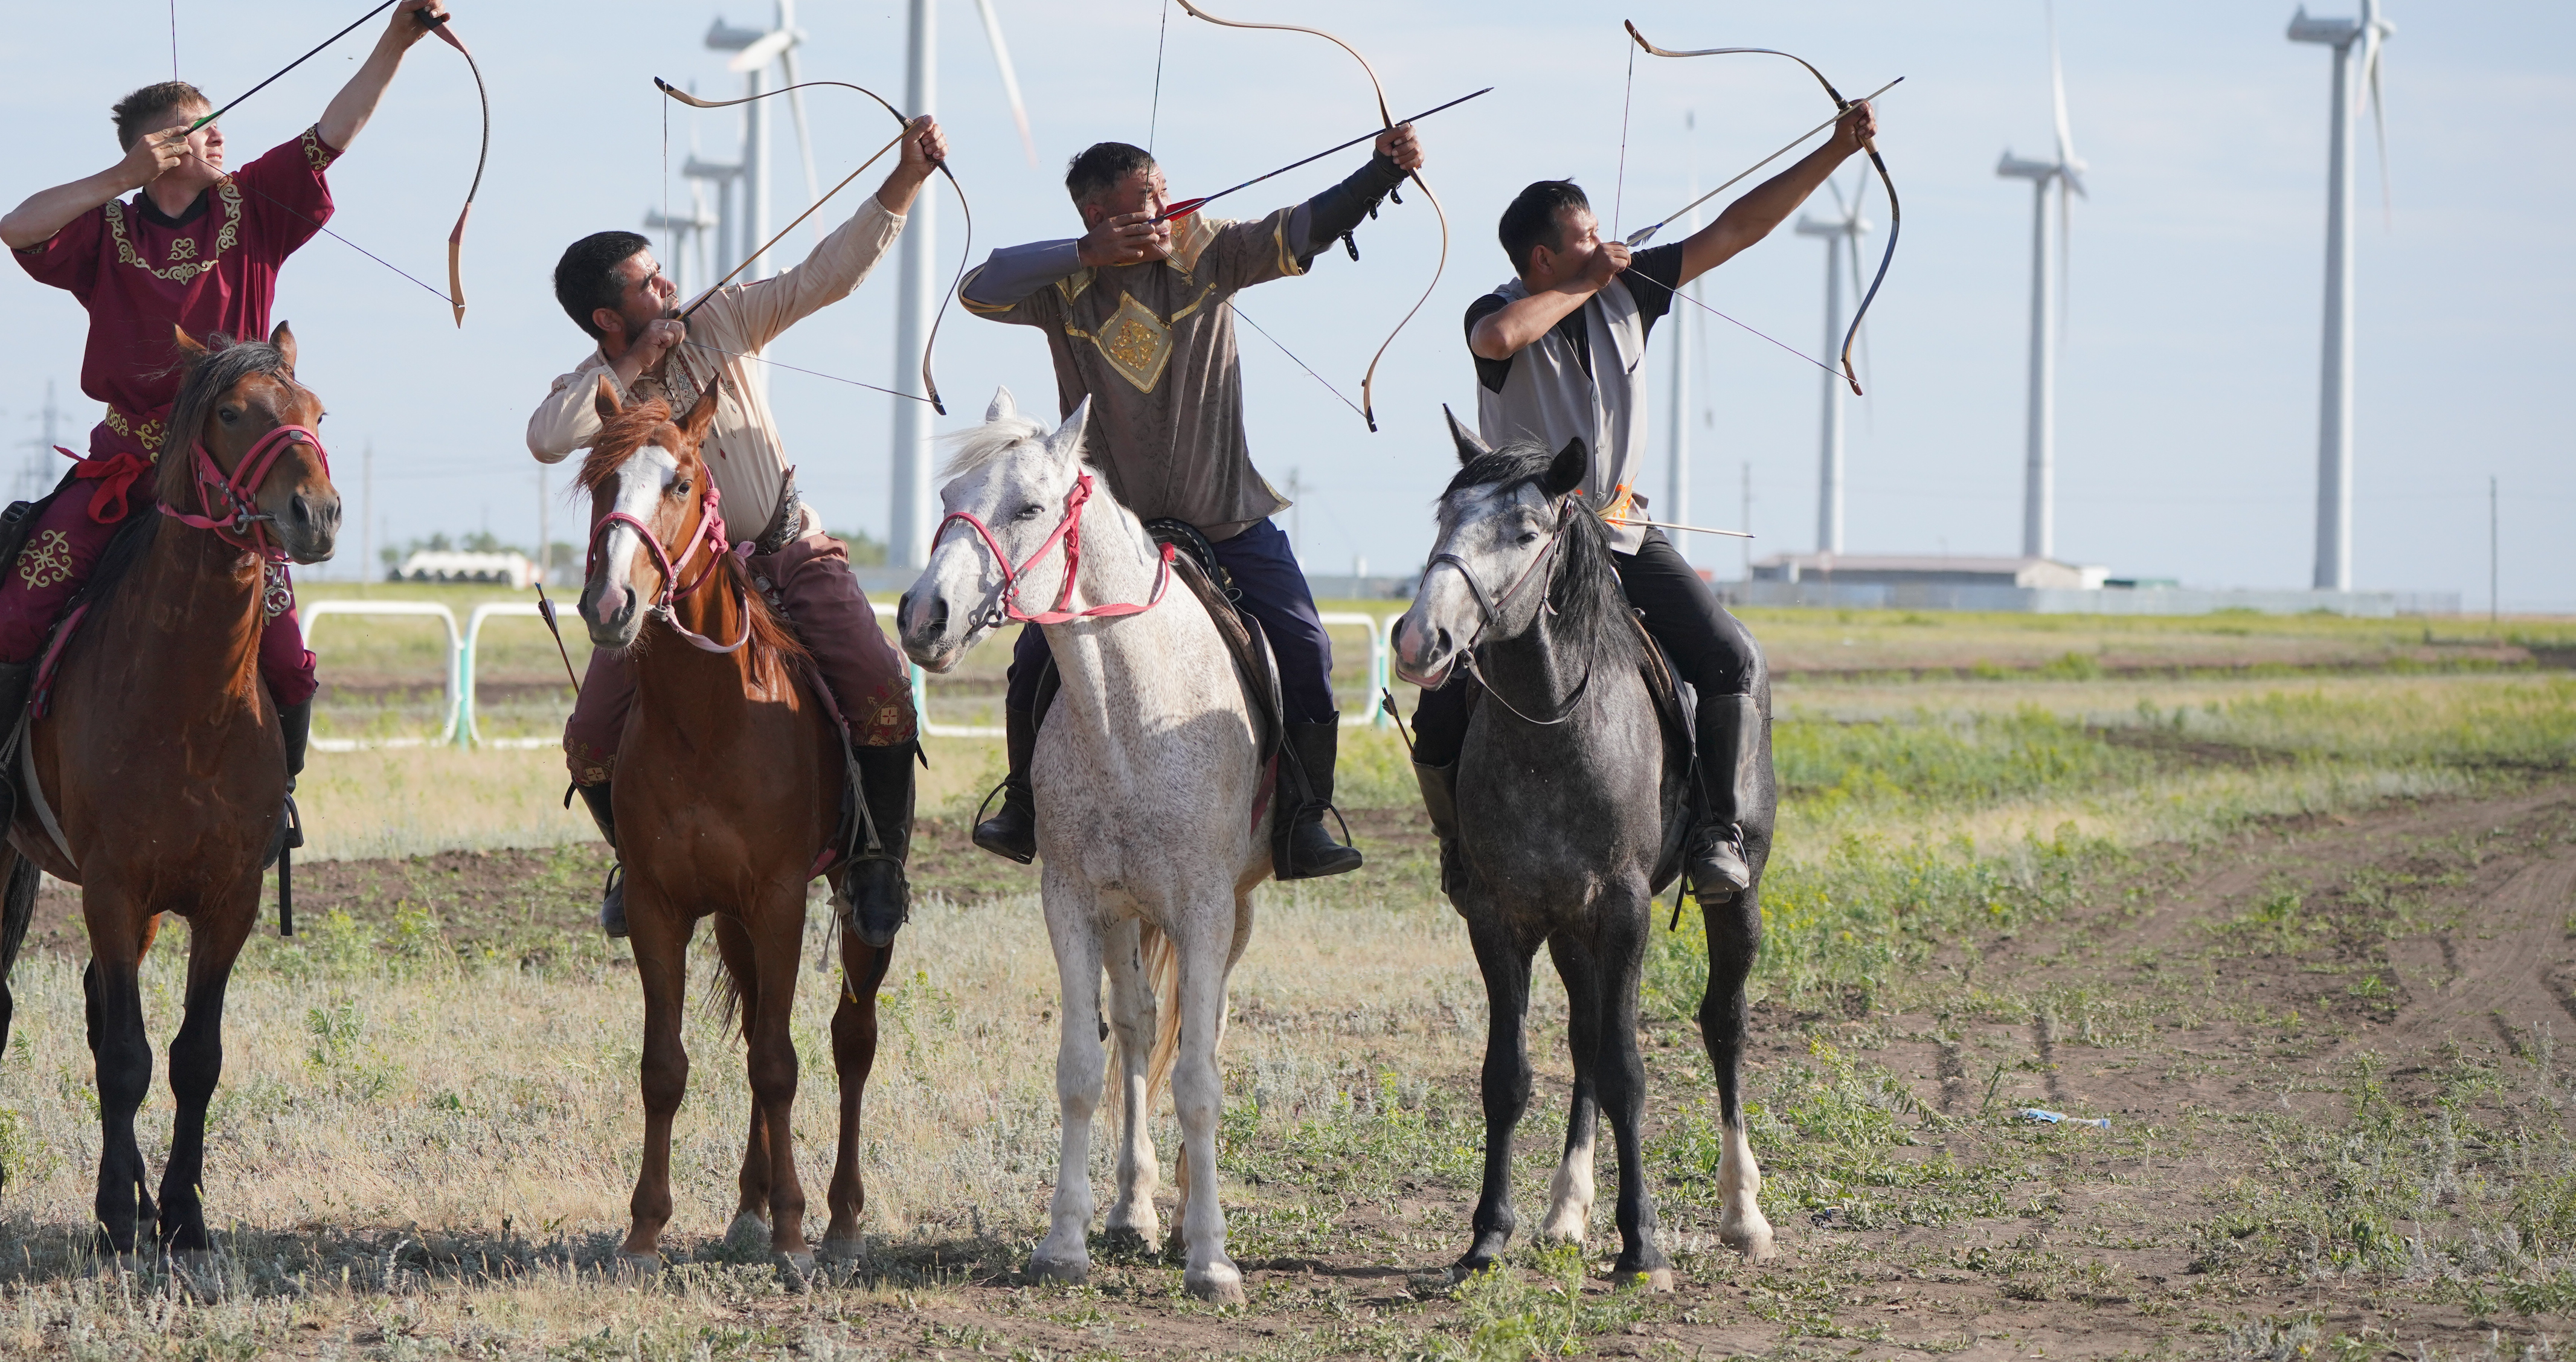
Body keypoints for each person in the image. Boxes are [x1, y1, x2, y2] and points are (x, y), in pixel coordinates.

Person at [0, 0, 453, 853]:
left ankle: (273, 799)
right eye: (199, 127)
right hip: (126, 465)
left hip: (235, 469)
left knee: (290, 658)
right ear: (156, 148)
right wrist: (120, 178)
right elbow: (13, 227)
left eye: (217, 124)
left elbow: (333, 130)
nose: (219, 136)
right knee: (11, 614)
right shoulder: (104, 227)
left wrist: (397, 39)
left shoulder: (250, 205)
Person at [1427, 95, 1883, 904]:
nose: (1606, 246)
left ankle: (1718, 832)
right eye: (1584, 240)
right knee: (1438, 695)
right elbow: (1497, 343)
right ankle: (1461, 849)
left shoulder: (1627, 293)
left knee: (1729, 656)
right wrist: (1593, 280)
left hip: (1620, 535)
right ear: (1542, 260)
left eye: (1602, 236)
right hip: (1527, 546)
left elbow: (1738, 229)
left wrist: (1835, 152)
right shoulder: (1497, 312)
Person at [956, 123, 1427, 880]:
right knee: (1028, 665)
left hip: (1225, 520)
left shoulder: (1206, 249)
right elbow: (976, 289)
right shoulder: (1062, 285)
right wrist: (1087, 258)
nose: (1161, 209)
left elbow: (1304, 227)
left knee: (1307, 648)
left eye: (1161, 192)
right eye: (1141, 203)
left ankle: (1303, 818)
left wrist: (1377, 175)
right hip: (1109, 539)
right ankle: (1022, 803)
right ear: (1096, 219)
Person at [527, 115, 951, 950]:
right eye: (649, 285)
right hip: (673, 594)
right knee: (589, 742)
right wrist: (632, 365)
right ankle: (639, 864)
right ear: (608, 319)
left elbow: (823, 275)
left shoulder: (722, 319)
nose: (670, 287)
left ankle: (874, 863)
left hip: (785, 551)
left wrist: (903, 182)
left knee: (879, 688)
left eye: (662, 275)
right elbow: (546, 437)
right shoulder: (598, 384)